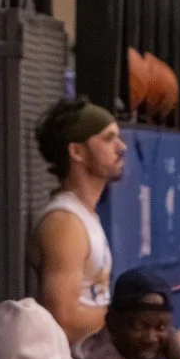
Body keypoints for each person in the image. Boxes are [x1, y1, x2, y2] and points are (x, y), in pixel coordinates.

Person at [33, 98, 127, 344]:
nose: (121, 147)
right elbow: (63, 319)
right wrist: (127, 319)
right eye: (108, 138)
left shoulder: (83, 215)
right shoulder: (65, 222)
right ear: (77, 152)